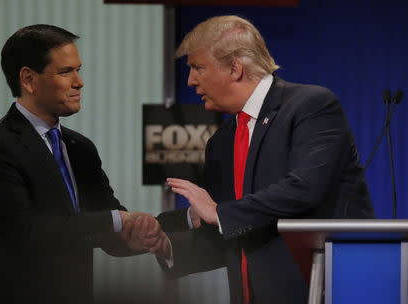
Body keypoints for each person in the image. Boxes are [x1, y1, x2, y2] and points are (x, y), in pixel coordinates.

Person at [150, 15, 375, 304]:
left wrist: (220, 213)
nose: (191, 80)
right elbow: (233, 228)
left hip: (323, 292)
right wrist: (165, 245)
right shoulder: (220, 142)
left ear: (234, 68)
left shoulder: (311, 106)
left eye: (198, 67)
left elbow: (304, 189)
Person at [0, 24, 161, 304]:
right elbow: (26, 233)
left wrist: (132, 237)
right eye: (66, 72)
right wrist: (116, 221)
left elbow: (104, 221)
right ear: (29, 79)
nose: (79, 82)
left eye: (79, 70)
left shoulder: (81, 149)